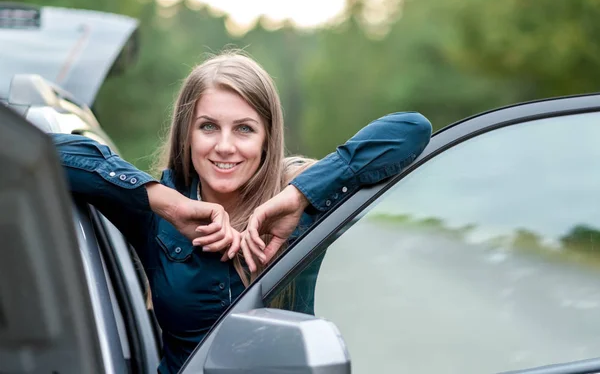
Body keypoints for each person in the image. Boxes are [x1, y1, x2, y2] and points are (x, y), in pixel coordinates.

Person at [52, 50, 432, 373]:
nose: (225, 146)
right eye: (208, 127)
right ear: (187, 134)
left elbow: (411, 129)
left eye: (245, 129)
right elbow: (38, 148)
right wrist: (171, 203)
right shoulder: (156, 210)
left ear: (268, 137)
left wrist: (298, 196)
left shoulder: (304, 197)